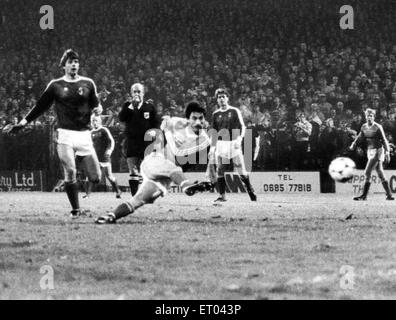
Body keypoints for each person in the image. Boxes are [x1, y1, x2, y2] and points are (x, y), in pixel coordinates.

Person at [6, 49, 102, 217]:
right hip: (65, 134)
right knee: (70, 171)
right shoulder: (55, 85)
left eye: (76, 62)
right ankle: (76, 210)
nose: (74, 64)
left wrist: (98, 110)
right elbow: (39, 106)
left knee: (96, 178)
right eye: (71, 62)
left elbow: (96, 105)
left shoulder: (88, 83)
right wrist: (22, 123)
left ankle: (80, 195)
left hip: (84, 135)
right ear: (63, 65)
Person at [95, 101, 213, 224]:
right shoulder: (177, 122)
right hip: (155, 161)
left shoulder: (204, 140)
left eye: (201, 118)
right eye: (194, 118)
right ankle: (187, 186)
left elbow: (180, 154)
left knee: (138, 200)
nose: (198, 122)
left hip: (167, 178)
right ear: (188, 119)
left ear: (205, 120)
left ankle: (111, 216)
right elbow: (164, 124)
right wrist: (165, 124)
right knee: (173, 168)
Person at [209, 88, 257, 202]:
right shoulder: (215, 114)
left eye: (223, 97)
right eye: (219, 97)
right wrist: (212, 147)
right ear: (217, 100)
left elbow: (242, 127)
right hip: (221, 144)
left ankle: (250, 190)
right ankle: (222, 196)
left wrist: (239, 139)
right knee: (220, 170)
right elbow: (214, 132)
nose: (221, 99)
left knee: (241, 170)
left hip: (233, 143)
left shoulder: (234, 111)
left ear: (227, 98)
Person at [119, 83, 160, 197]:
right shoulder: (127, 106)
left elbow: (156, 123)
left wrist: (154, 133)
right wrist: (131, 106)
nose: (136, 94)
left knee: (146, 169)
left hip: (146, 143)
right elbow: (121, 117)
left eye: (139, 92)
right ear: (131, 93)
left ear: (143, 93)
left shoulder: (149, 107)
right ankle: (134, 197)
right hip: (132, 142)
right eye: (134, 92)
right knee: (133, 170)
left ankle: (145, 195)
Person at [349, 108, 394, 200]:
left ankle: (364, 196)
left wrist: (387, 152)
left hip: (378, 151)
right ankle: (389, 195)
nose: (369, 117)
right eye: (367, 116)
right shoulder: (364, 126)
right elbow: (359, 137)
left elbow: (384, 140)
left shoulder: (378, 127)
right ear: (365, 117)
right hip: (370, 151)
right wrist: (354, 144)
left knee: (367, 171)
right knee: (380, 172)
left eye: (371, 116)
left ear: (374, 117)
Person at [83, 115, 122, 199]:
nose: (94, 122)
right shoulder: (91, 132)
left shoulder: (104, 130)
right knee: (89, 176)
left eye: (96, 120)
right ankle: (87, 195)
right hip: (95, 157)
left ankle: (118, 192)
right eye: (93, 121)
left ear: (99, 121)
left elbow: (111, 141)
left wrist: (109, 150)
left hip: (104, 157)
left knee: (109, 176)